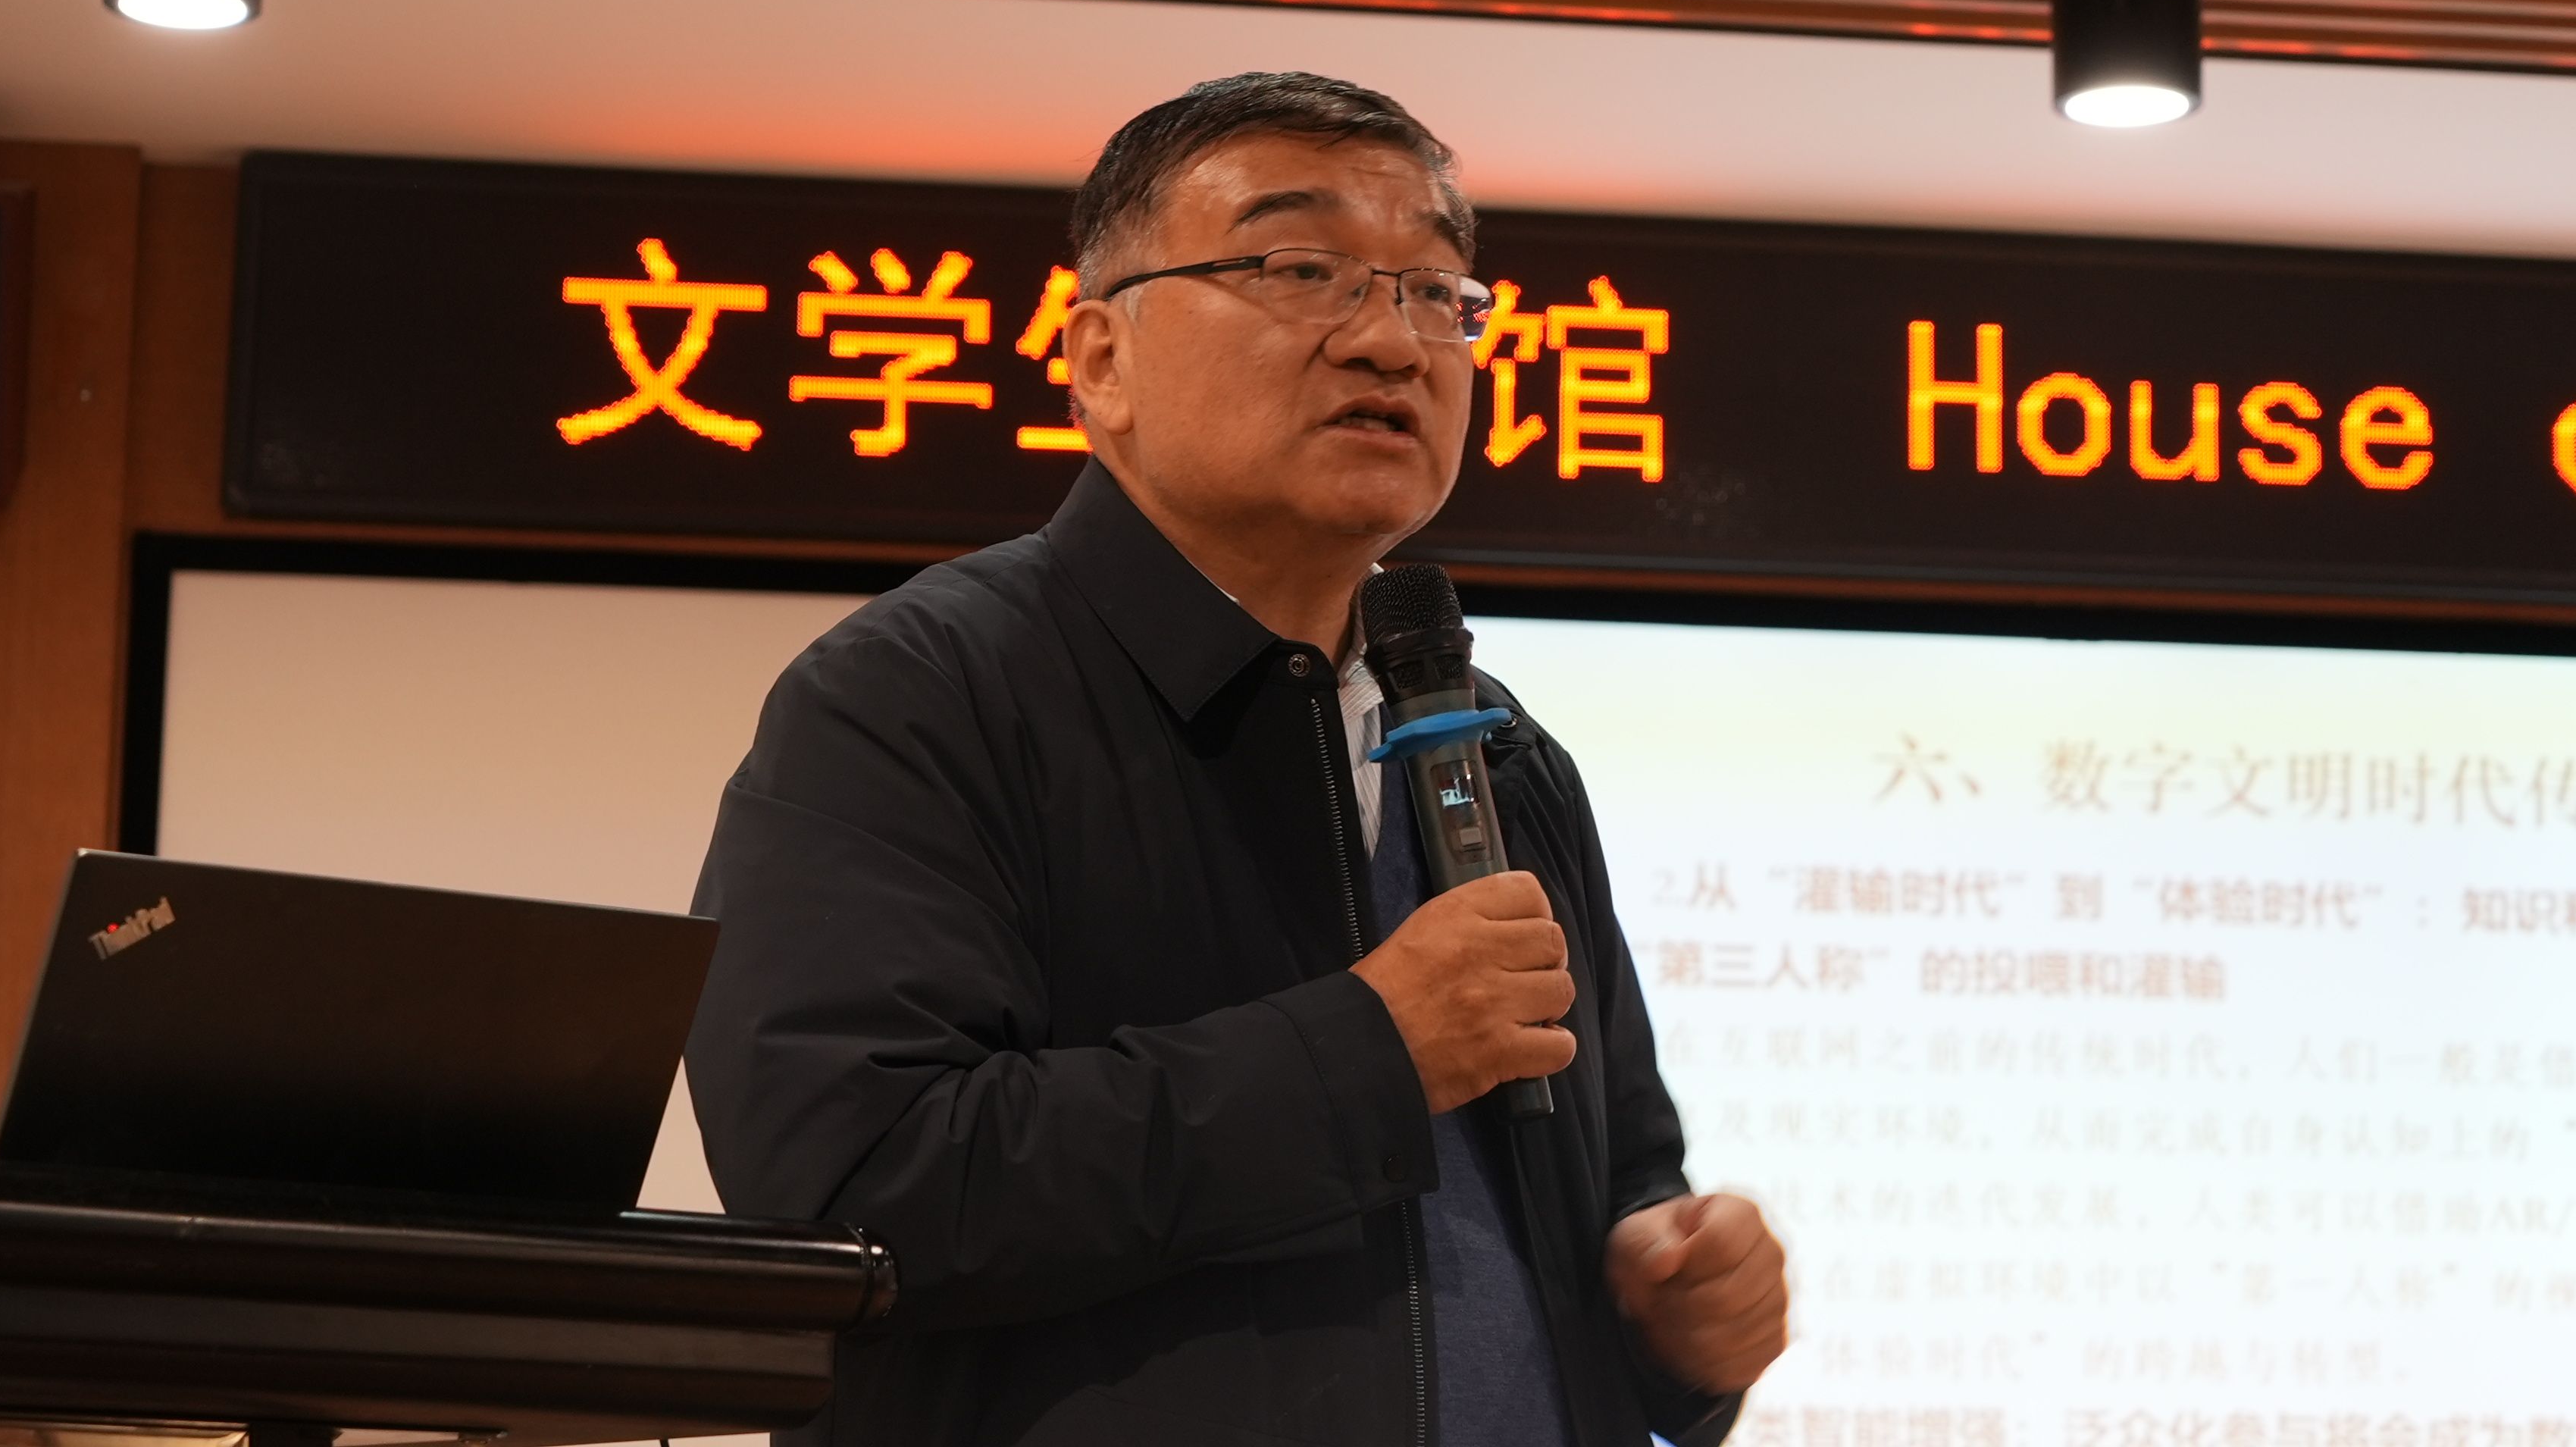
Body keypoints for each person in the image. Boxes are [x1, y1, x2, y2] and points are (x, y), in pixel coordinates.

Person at [686, 70, 1787, 1446]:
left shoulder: (1501, 752)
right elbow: (848, 1185)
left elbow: (1622, 1179)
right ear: (1102, 360)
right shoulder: (921, 694)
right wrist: (1368, 1054)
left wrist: (1673, 1307)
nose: (1391, 344)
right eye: (1300, 269)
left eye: (1435, 292)